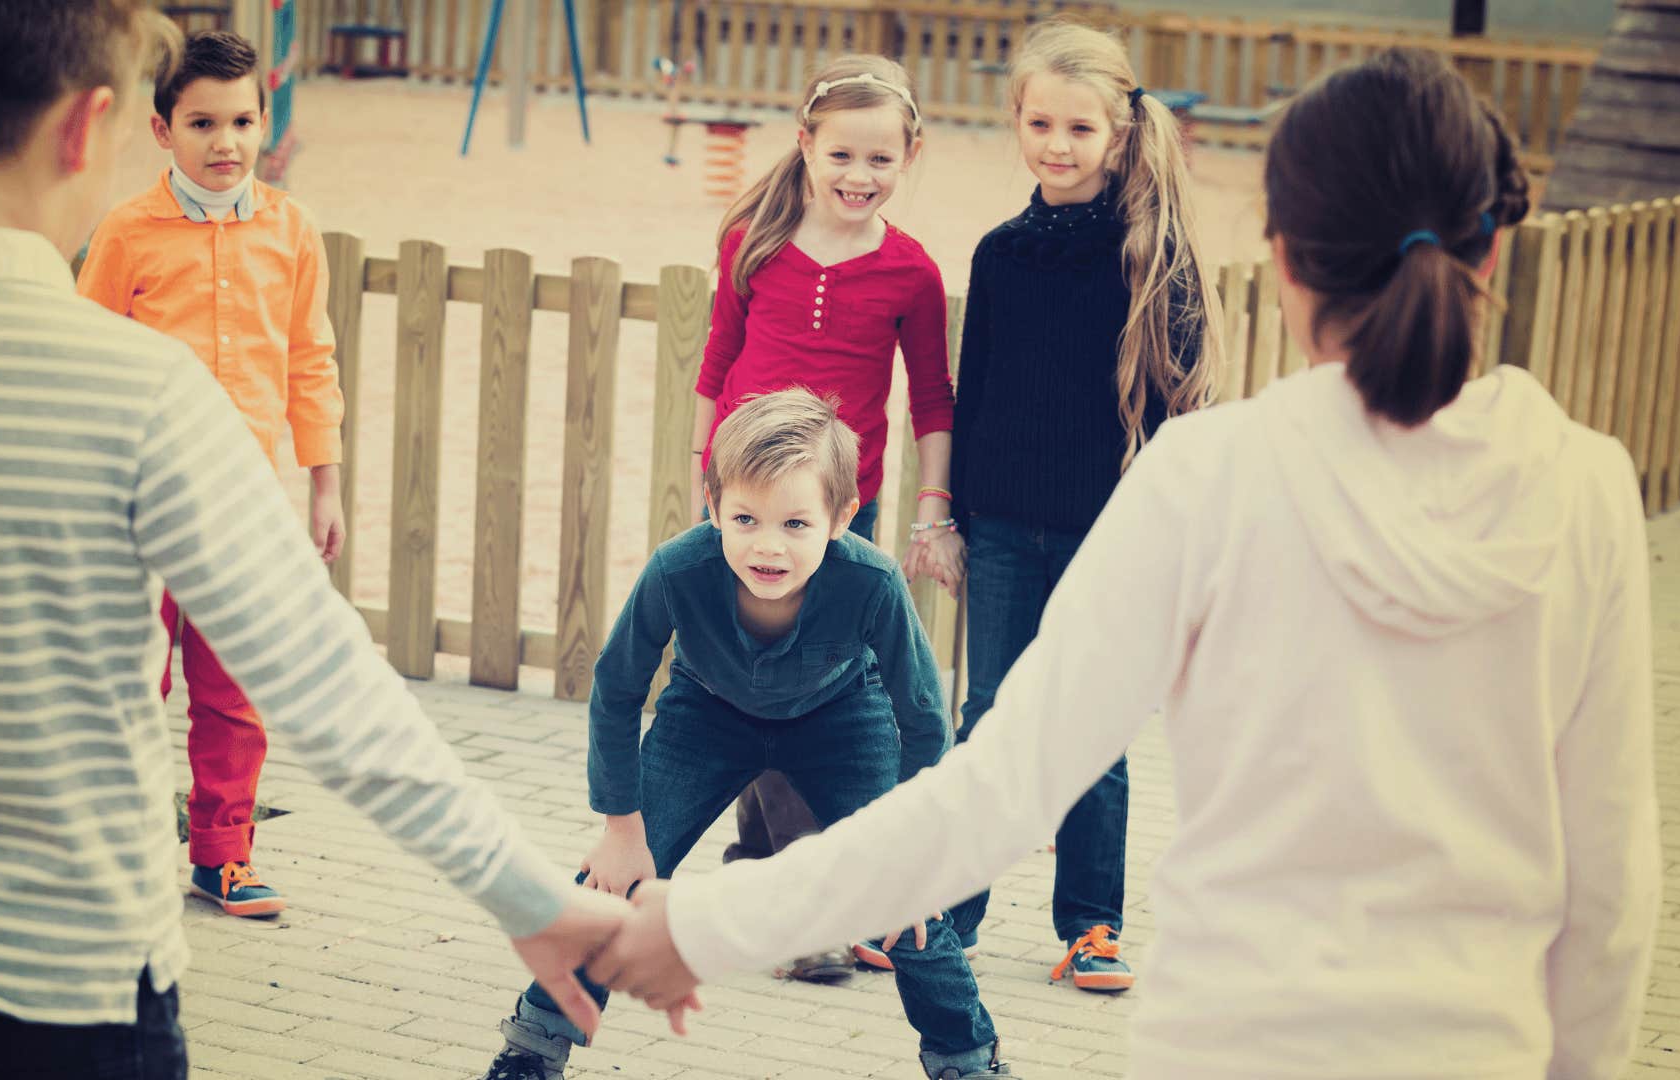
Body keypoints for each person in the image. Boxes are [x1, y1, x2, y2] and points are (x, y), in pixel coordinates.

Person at [592, 47, 1662, 1080]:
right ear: (1487, 252)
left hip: (1229, 1039)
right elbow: (1611, 882)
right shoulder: (1587, 486)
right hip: (1483, 1046)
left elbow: (999, 788)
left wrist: (696, 920)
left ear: (1283, 254)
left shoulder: (1210, 475)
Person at [0, 3, 620, 1075]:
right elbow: (325, 684)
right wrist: (534, 899)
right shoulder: (145, 393)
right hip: (69, 987)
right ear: (90, 129)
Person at [482, 390, 1011, 1080]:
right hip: (706, 716)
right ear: (713, 506)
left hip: (842, 720)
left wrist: (916, 844)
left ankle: (968, 1063)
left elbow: (921, 719)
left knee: (906, 897)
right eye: (745, 518)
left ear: (841, 517)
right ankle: (533, 1047)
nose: (768, 544)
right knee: (611, 884)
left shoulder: (873, 581)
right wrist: (620, 825)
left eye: (796, 522)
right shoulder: (679, 569)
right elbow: (615, 690)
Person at [916, 19, 1220, 990]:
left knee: (1091, 726)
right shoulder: (999, 254)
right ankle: (948, 915)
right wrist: (953, 519)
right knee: (992, 717)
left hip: (1108, 535)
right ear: (1016, 120)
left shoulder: (1149, 256)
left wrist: (1160, 540)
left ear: (1119, 134)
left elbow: (1179, 416)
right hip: (1001, 528)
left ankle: (1092, 925)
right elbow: (978, 388)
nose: (1058, 143)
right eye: (1040, 122)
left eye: (1079, 128)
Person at [691, 55, 967, 981]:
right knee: (751, 683)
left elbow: (932, 395)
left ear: (910, 156)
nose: (860, 175)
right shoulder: (755, 243)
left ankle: (783, 886)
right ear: (805, 144)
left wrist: (932, 507)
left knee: (828, 690)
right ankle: (782, 891)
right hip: (742, 506)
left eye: (882, 159)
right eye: (842, 152)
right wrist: (704, 485)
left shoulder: (910, 271)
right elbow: (715, 364)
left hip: (838, 514)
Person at [77, 28, 341, 918]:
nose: (224, 142)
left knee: (233, 689)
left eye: (241, 121)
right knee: (129, 684)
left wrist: (324, 481)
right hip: (134, 505)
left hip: (242, 506)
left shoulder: (291, 231)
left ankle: (222, 855)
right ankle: (114, 850)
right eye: (201, 123)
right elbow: (89, 354)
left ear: (267, 123)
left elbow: (311, 358)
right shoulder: (125, 232)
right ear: (162, 131)